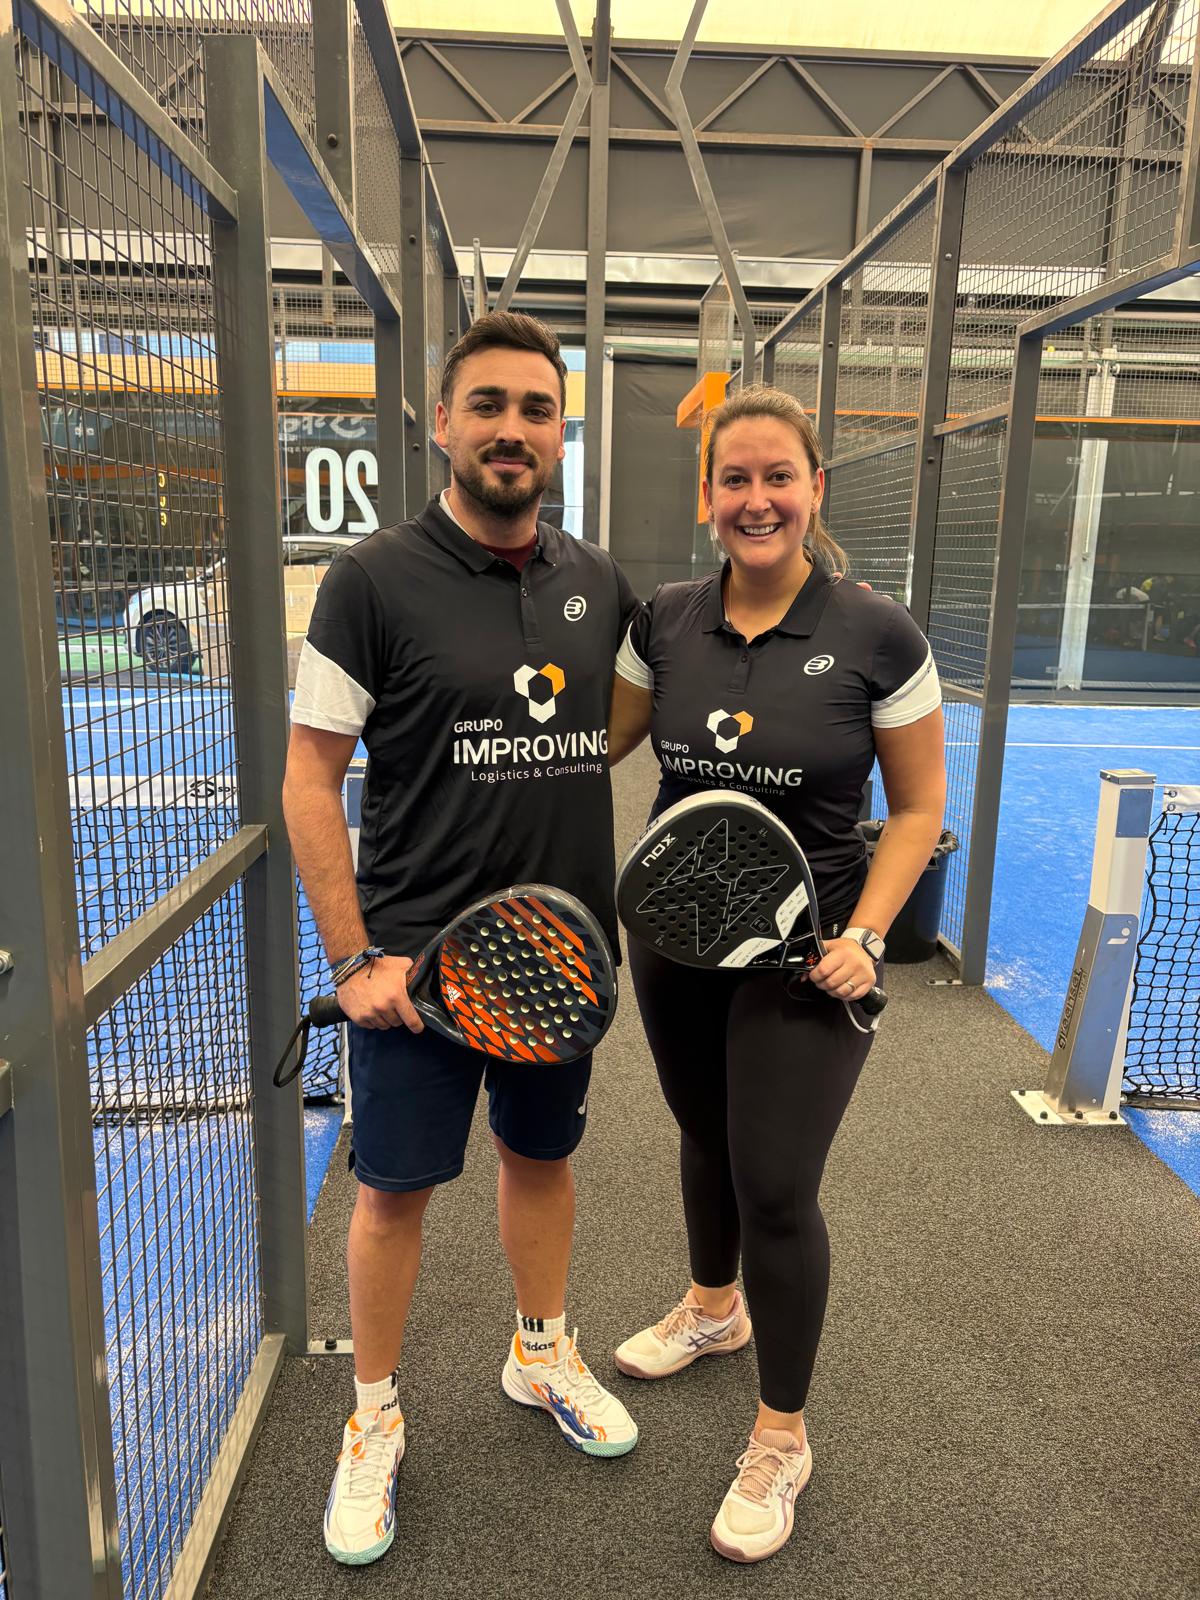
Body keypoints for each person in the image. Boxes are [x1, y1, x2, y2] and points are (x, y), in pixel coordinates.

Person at [283, 312, 642, 1568]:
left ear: (562, 433)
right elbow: (309, 777)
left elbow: (620, 723)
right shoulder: (370, 582)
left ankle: (539, 1351)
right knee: (392, 1193)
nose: (511, 429)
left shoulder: (601, 585)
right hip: (414, 975)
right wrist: (352, 961)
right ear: (441, 423)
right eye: (487, 404)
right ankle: (372, 1417)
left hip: (556, 961)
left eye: (536, 408)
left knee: (542, 1161)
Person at [606, 385, 947, 1564]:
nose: (757, 500)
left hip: (811, 957)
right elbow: (593, 743)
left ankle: (781, 1437)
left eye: (778, 477)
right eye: (735, 480)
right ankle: (714, 1309)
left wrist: (868, 936)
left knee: (777, 1185)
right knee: (706, 1132)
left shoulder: (880, 635)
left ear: (814, 490)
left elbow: (918, 809)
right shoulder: (665, 621)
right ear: (708, 496)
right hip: (677, 938)